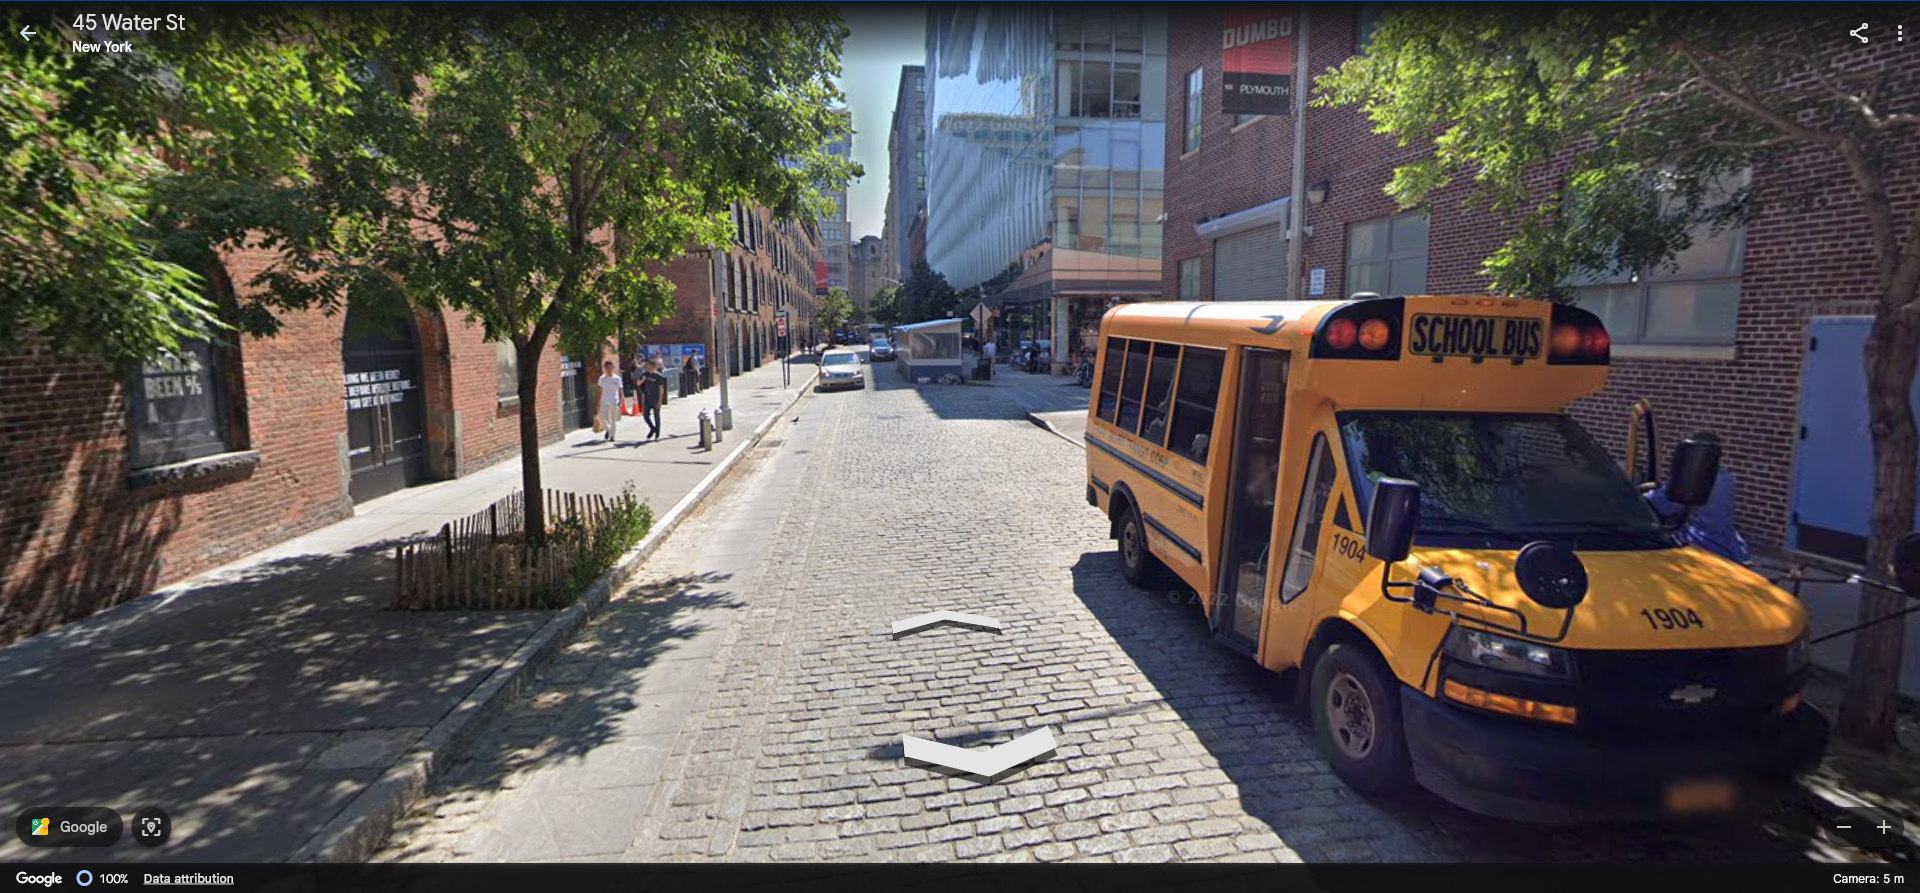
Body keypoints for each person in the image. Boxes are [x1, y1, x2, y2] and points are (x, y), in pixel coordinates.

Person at [1646, 431, 1751, 564]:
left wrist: (1638, 496)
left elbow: (1664, 505)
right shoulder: (1725, 476)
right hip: (1732, 546)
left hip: (1704, 546)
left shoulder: (1693, 477)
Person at [639, 358, 668, 441]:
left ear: (653, 366)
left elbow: (661, 389)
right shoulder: (645, 374)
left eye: (648, 365)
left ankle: (657, 434)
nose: (646, 367)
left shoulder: (659, 376)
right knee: (645, 416)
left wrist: (660, 400)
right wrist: (643, 380)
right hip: (647, 399)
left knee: (656, 417)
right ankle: (652, 428)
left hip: (656, 399)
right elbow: (638, 383)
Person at [596, 360, 623, 443]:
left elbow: (620, 390)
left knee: (613, 420)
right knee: (604, 419)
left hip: (614, 401)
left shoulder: (617, 379)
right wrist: (598, 401)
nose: (608, 369)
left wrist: (621, 401)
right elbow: (600, 390)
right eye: (607, 367)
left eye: (610, 367)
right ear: (605, 368)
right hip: (604, 400)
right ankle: (607, 430)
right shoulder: (602, 378)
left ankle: (612, 436)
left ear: (613, 368)